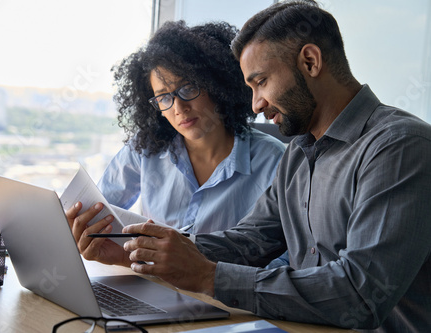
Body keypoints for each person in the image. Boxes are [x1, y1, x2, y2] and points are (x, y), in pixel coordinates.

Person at [67, 1, 431, 332]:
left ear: (310, 62)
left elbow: (360, 294)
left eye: (261, 82)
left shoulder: (400, 147)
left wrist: (210, 278)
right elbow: (250, 242)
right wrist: (140, 253)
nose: (255, 104)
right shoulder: (300, 154)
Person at [94, 20, 285, 234]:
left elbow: (287, 257)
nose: (178, 108)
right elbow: (98, 211)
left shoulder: (274, 161)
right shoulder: (145, 149)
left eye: (188, 88)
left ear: (217, 85)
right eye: (164, 97)